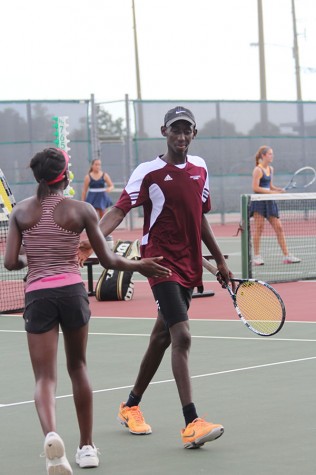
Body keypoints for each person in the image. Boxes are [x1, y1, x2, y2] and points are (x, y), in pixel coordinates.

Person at [4, 147, 171, 474]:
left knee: (44, 377)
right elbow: (109, 259)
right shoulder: (81, 211)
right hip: (71, 293)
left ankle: (52, 437)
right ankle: (86, 448)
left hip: (38, 296)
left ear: (38, 177)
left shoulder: (21, 213)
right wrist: (140, 265)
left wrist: (33, 257)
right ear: (65, 176)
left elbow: (10, 262)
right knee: (78, 367)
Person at [80, 106, 235, 449]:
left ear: (194, 134)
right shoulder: (148, 171)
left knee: (161, 338)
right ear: (164, 131)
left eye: (187, 131)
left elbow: (201, 217)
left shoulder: (201, 169)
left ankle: (130, 405)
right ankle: (192, 422)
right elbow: (120, 208)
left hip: (191, 265)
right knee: (182, 336)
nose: (181, 136)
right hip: (160, 265)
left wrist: (221, 259)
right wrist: (92, 240)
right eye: (175, 130)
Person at [250, 145, 300, 266]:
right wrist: (272, 192)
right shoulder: (258, 170)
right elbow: (255, 187)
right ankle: (257, 257)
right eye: (270, 154)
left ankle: (287, 255)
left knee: (279, 228)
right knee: (259, 229)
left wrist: (278, 189)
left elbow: (270, 186)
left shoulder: (271, 169)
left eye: (272, 154)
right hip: (259, 202)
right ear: (263, 156)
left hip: (270, 201)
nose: (272, 156)